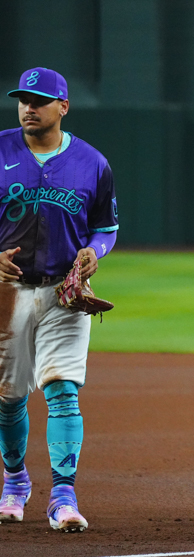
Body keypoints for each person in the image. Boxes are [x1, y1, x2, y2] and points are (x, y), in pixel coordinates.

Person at [0, 67, 119, 532]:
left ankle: (63, 497)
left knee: (63, 392)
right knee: (8, 398)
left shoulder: (92, 163)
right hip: (7, 295)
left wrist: (94, 251)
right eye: (23, 100)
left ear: (63, 106)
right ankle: (15, 482)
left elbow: (105, 228)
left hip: (62, 294)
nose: (29, 107)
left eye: (39, 100)